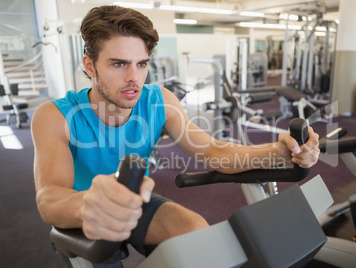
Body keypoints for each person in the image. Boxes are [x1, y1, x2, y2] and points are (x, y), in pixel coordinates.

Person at [31, 5, 320, 266]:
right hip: (84, 210)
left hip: (133, 200)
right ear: (90, 65)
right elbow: (50, 197)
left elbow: (215, 151)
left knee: (197, 235)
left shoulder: (159, 101)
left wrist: (282, 151)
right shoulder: (55, 116)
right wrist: (87, 204)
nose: (134, 77)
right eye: (119, 64)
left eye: (142, 64)